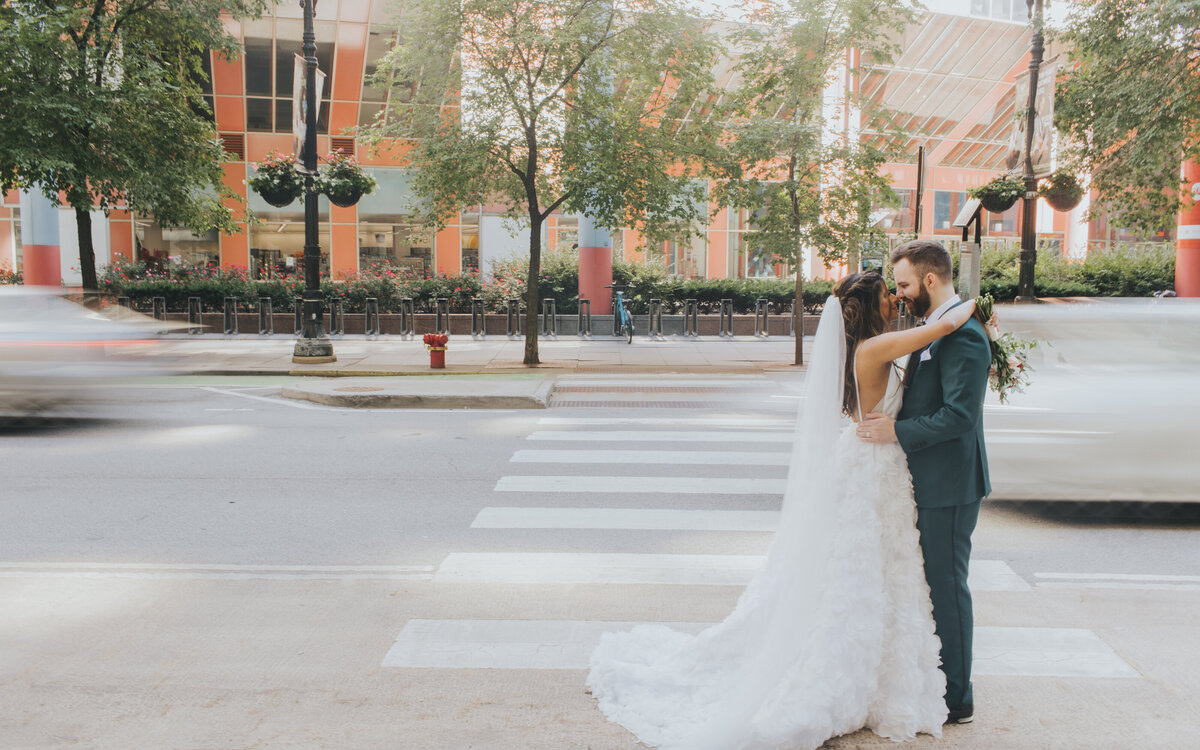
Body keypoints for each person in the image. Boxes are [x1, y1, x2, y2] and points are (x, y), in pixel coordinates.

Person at [587, 270, 977, 750]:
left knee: (874, 566)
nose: (894, 301)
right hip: (875, 465)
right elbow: (942, 327)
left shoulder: (872, 347)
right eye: (887, 295)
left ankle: (876, 667)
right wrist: (979, 306)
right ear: (869, 306)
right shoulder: (876, 350)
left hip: (873, 461)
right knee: (867, 565)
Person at [858, 240, 992, 725]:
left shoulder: (965, 334)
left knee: (947, 587)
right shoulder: (937, 328)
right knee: (930, 586)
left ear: (929, 280)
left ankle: (958, 697)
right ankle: (937, 681)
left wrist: (898, 431)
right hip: (925, 477)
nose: (900, 294)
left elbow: (959, 415)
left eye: (905, 284)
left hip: (951, 483)